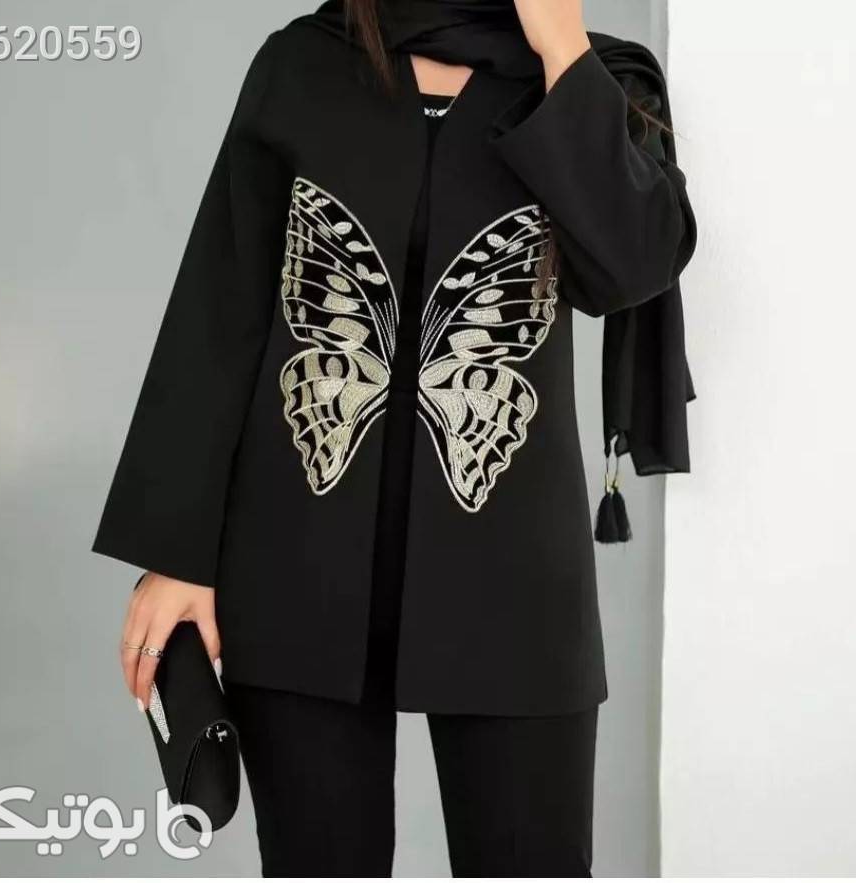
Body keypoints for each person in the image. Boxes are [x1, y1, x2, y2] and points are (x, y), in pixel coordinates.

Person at [94, 0, 697, 875]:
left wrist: (561, 44)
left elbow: (632, 266)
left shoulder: (598, 79)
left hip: (512, 578)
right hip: (300, 563)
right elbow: (221, 312)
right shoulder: (305, 66)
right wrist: (178, 555)